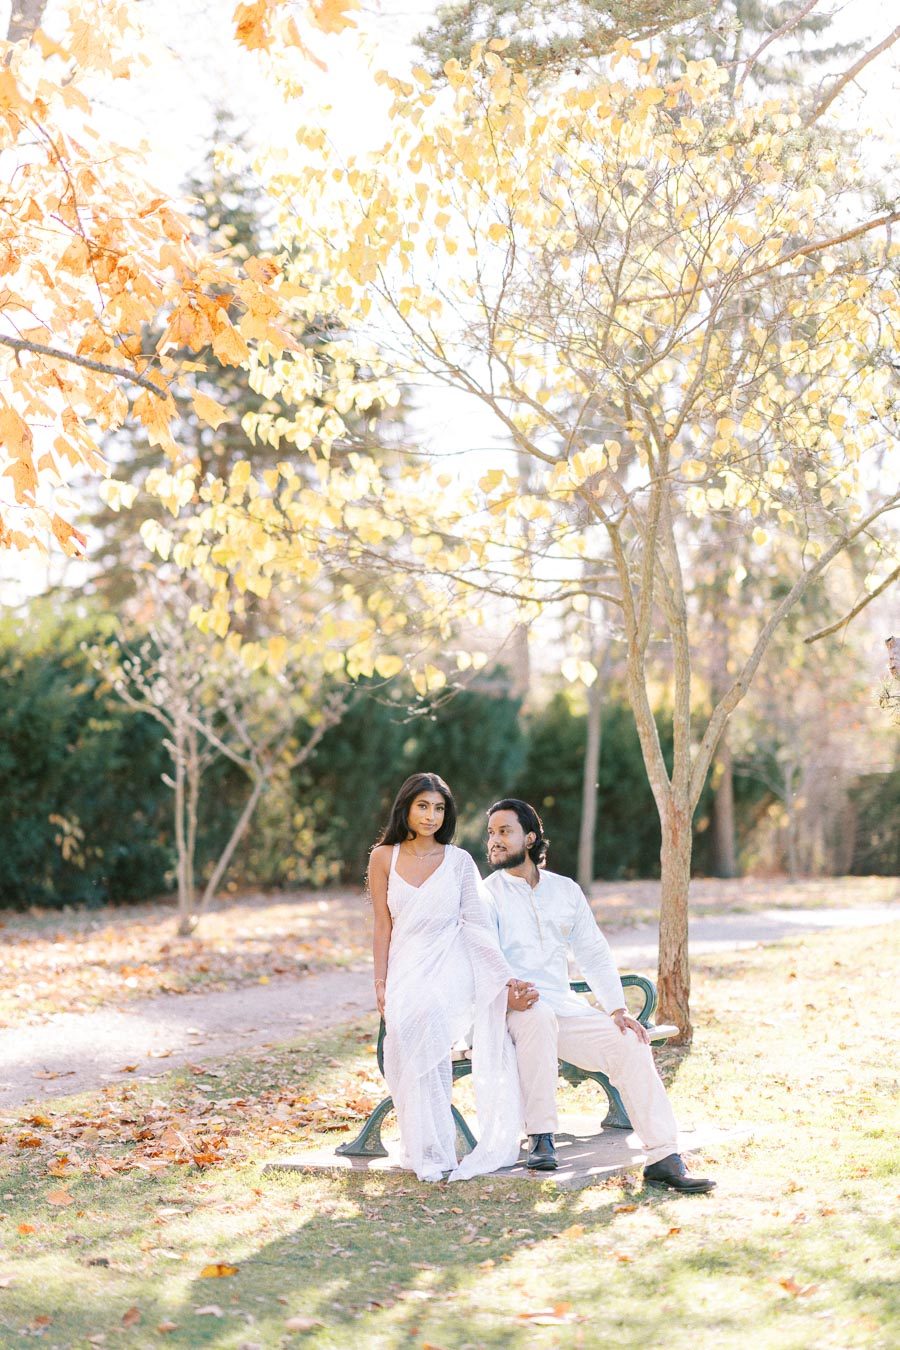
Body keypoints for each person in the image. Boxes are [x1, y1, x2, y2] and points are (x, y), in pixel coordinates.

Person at [482, 798, 716, 1194]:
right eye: (491, 833)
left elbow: (592, 951)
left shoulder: (565, 890)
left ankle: (663, 1156)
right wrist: (505, 995)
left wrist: (617, 1008)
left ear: (530, 837)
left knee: (629, 1039)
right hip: (512, 1008)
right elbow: (481, 956)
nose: (494, 841)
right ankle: (541, 1136)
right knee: (537, 1016)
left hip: (562, 1006)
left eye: (504, 832)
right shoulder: (487, 894)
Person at [368, 772, 532, 1182]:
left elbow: (476, 926)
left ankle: (437, 1149)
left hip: (450, 964)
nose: (431, 816)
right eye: (423, 806)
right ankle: (422, 1144)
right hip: (406, 965)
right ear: (406, 806)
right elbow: (382, 925)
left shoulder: (458, 861)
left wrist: (504, 976)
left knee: (429, 1014)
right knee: (405, 1032)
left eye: (439, 808)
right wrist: (380, 981)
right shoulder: (382, 857)